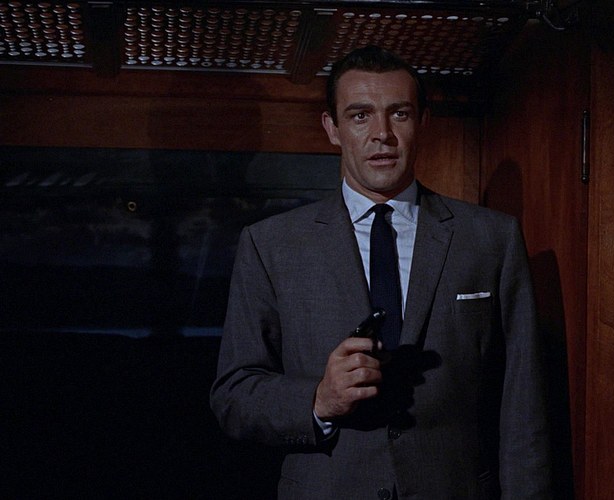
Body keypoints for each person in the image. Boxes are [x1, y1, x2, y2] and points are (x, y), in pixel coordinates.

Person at [210, 45, 553, 499]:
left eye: (399, 114)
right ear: (332, 128)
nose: (382, 135)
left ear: (423, 122)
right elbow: (234, 395)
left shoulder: (491, 239)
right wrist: (319, 400)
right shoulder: (270, 245)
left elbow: (524, 402)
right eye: (360, 116)